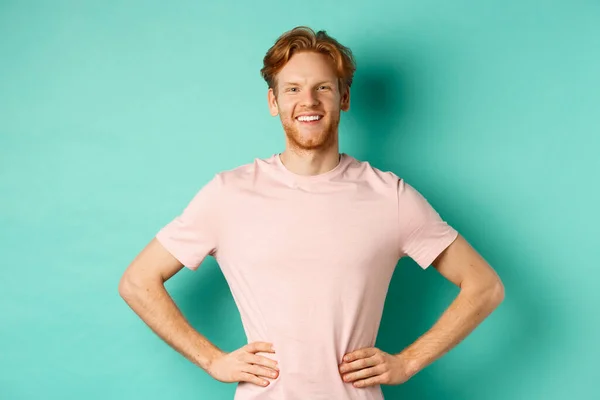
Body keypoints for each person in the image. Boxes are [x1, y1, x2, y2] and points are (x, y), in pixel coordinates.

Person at [118, 26, 505, 400]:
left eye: (323, 87)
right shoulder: (228, 194)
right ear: (274, 102)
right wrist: (212, 361)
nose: (309, 101)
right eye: (293, 89)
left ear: (344, 97)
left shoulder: (391, 197)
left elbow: (484, 287)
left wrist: (408, 362)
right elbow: (138, 282)